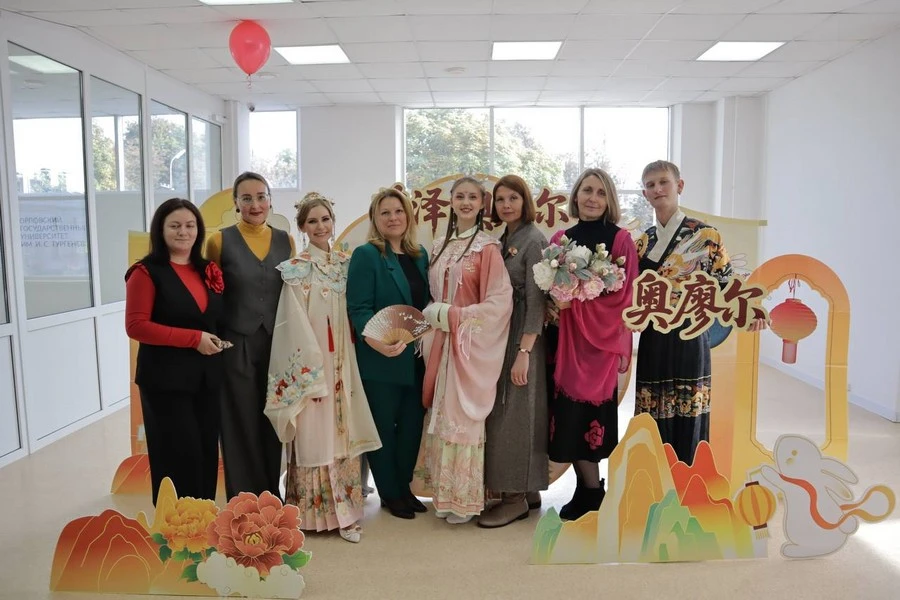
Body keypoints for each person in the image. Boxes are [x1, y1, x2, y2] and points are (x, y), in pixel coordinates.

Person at [264, 193, 381, 544]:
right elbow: (292, 325)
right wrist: (308, 375)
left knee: (343, 430)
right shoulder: (296, 269)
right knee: (315, 432)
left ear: (333, 222)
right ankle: (311, 513)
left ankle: (347, 513)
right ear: (302, 227)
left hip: (346, 362)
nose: (320, 226)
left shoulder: (347, 264)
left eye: (325, 219)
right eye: (312, 221)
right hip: (314, 366)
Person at [634, 160, 765, 464]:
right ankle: (654, 474)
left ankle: (688, 475)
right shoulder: (642, 242)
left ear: (679, 186)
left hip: (691, 334)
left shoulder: (707, 236)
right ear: (644, 194)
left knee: (689, 408)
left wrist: (749, 311)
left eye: (664, 182)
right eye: (651, 185)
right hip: (654, 336)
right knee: (651, 409)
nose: (658, 189)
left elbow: (726, 282)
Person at [420, 176, 513, 525]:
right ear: (451, 200)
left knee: (463, 419)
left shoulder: (487, 248)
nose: (465, 202)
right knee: (442, 417)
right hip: (440, 344)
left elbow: (500, 302)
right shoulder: (439, 245)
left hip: (467, 346)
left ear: (482, 203)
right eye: (460, 196)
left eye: (473, 197)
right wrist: (435, 314)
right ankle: (444, 495)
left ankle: (464, 499)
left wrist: (454, 315)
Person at [548, 168, 638, 522]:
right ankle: (587, 489)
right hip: (567, 343)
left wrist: (578, 301)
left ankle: (592, 489)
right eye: (587, 190)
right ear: (576, 195)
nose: (592, 198)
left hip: (600, 345)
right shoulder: (561, 239)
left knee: (590, 418)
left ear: (609, 199)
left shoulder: (620, 240)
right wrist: (560, 298)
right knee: (568, 416)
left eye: (601, 192)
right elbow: (551, 290)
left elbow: (624, 296)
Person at [125, 198, 224, 505]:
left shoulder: (206, 270)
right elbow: (136, 326)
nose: (184, 232)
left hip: (207, 380)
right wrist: (193, 339)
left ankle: (202, 520)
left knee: (205, 455)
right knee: (178, 457)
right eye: (175, 226)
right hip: (165, 382)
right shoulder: (145, 272)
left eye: (190, 225)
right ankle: (175, 523)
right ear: (161, 230)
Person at [205, 171, 295, 500]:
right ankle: (244, 498)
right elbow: (210, 295)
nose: (255, 204)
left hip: (276, 341)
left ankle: (271, 493)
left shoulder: (286, 240)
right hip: (235, 342)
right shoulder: (219, 241)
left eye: (261, 197)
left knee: (272, 416)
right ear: (236, 203)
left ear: (270, 200)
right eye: (247, 198)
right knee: (238, 419)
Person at [346, 187, 430, 520]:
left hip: (416, 357)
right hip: (379, 356)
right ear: (375, 219)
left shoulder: (419, 255)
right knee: (383, 428)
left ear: (408, 216)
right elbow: (358, 308)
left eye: (398, 211)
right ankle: (390, 492)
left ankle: (404, 488)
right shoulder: (367, 255)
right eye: (385, 213)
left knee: (411, 427)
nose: (393, 218)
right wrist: (376, 341)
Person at [478, 175, 548, 528]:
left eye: (513, 198)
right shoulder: (505, 238)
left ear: (525, 201)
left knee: (515, 413)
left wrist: (524, 351)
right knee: (513, 411)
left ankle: (513, 499)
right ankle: (528, 489)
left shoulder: (533, 240)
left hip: (523, 335)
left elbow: (537, 301)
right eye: (501, 199)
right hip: (504, 332)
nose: (506, 205)